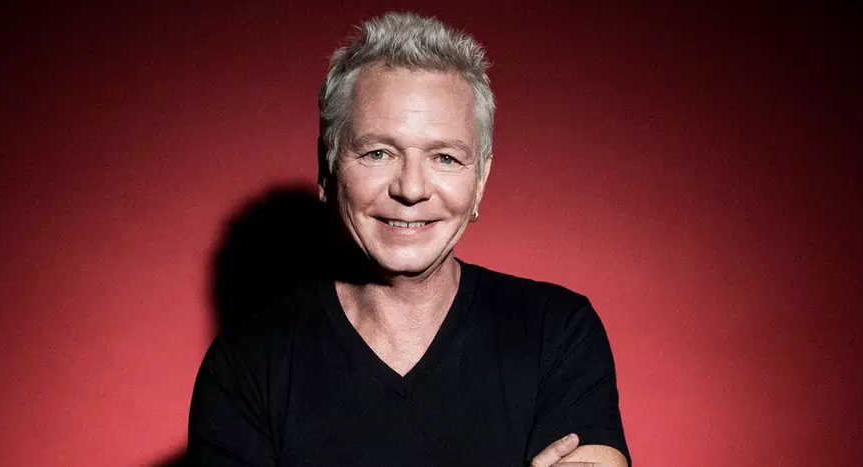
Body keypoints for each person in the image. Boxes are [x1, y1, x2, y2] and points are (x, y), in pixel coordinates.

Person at [186, 12, 628, 467]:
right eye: (378, 152)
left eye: (445, 157)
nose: (412, 189)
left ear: (480, 181)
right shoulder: (246, 366)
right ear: (328, 167)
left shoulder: (557, 333)